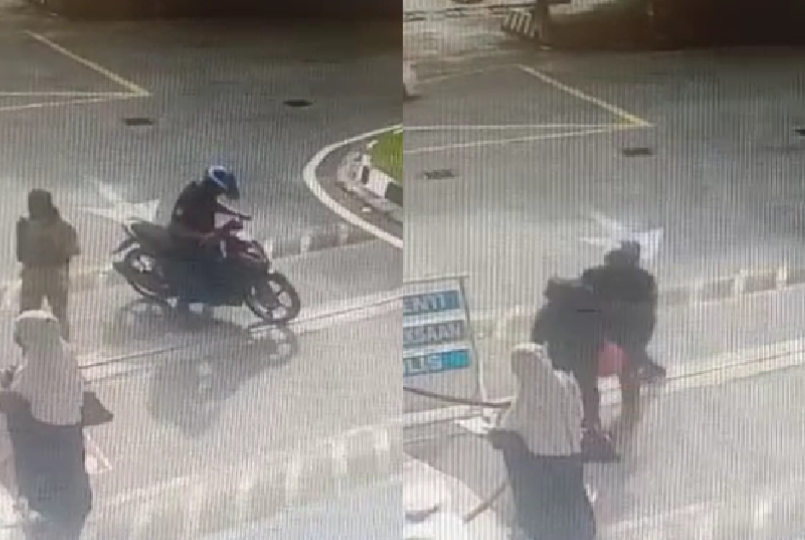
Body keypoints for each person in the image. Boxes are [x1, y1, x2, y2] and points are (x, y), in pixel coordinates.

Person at [490, 343, 596, 540]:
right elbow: (579, 412)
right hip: (572, 456)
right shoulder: (565, 382)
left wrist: (495, 426)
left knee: (548, 511)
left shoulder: (527, 402)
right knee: (574, 501)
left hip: (542, 464)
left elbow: (507, 430)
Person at [1, 310, 91, 540]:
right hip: (74, 486)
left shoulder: (34, 369)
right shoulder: (64, 354)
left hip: (46, 469)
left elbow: (13, 399)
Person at [530, 277, 616, 460]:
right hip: (587, 353)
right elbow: (606, 324)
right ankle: (592, 423)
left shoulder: (550, 311)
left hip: (562, 357)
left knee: (563, 390)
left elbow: (537, 337)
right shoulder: (587, 305)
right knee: (589, 389)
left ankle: (567, 422)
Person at [167, 165, 250, 314]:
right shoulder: (190, 196)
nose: (221, 194)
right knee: (200, 267)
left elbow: (213, 205)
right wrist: (202, 236)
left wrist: (236, 214)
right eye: (220, 191)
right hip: (186, 241)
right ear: (213, 187)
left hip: (205, 236)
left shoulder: (206, 195)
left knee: (219, 255)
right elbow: (176, 227)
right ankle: (183, 303)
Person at [581, 240, 666, 385]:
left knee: (629, 349)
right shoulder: (645, 279)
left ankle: (642, 370)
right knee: (630, 348)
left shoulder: (595, 275)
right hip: (628, 329)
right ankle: (644, 370)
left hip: (614, 328)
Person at [15, 190, 80, 341]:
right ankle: (64, 351)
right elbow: (72, 251)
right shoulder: (63, 226)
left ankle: (29, 354)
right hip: (56, 275)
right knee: (60, 316)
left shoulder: (24, 226)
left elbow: (20, 255)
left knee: (27, 317)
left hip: (32, 275)